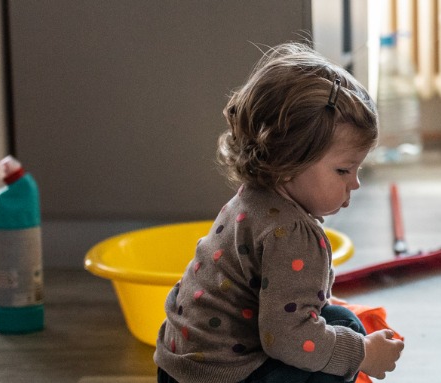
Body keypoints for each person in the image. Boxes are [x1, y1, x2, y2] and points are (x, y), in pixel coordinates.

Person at [155, 42, 405, 383]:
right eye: (344, 171)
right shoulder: (293, 234)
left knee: (340, 322)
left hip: (177, 368)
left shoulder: (253, 198)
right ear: (289, 163)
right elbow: (287, 341)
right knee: (347, 340)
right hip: (225, 376)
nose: (355, 184)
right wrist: (365, 354)